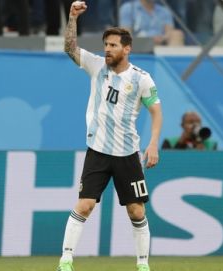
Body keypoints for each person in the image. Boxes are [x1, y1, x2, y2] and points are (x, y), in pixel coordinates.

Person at [56, 2, 162, 271]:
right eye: (106, 44)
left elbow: (157, 112)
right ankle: (66, 261)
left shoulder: (142, 79)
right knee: (85, 205)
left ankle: (142, 264)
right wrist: (72, 18)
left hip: (128, 154)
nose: (107, 49)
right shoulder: (96, 67)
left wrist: (152, 144)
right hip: (98, 151)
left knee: (136, 211)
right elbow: (69, 48)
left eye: (114, 45)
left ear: (127, 49)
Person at [119, 0, 184, 46]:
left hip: (161, 45)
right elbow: (126, 34)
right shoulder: (128, 8)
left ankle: (172, 64)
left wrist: (162, 38)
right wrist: (149, 40)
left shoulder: (164, 11)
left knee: (177, 34)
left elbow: (169, 32)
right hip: (138, 46)